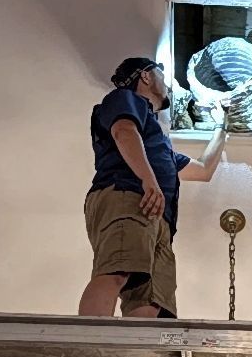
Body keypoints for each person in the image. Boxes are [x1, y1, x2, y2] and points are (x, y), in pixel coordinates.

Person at [78, 57, 230, 318]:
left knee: (150, 300)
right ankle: (90, 345)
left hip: (157, 217)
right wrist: (148, 181)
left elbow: (203, 170)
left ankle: (138, 356)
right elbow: (124, 131)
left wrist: (222, 126)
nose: (168, 86)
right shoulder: (126, 98)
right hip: (128, 194)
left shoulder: (161, 148)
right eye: (162, 75)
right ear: (146, 77)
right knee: (118, 269)